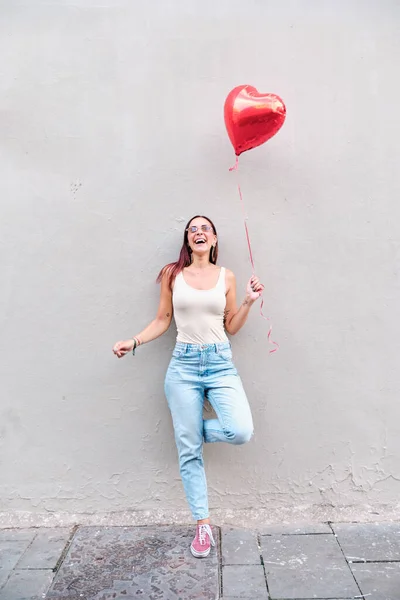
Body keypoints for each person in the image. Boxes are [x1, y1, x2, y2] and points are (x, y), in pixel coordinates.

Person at [112, 215, 264, 558]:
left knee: (240, 430)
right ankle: (203, 524)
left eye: (204, 229)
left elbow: (232, 326)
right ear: (187, 239)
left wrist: (249, 301)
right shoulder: (172, 275)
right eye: (192, 229)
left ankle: (189, 433)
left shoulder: (227, 276)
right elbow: (163, 320)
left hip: (220, 364)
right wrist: (133, 341)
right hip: (183, 367)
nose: (198, 232)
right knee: (189, 453)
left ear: (213, 241)